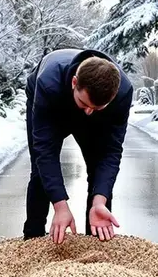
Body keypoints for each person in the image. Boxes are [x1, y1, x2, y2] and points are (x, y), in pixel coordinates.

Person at [23, 48, 133, 244]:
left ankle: (97, 240)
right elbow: (45, 151)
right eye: (84, 104)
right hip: (53, 104)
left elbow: (111, 152)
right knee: (41, 173)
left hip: (86, 105)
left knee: (99, 173)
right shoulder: (48, 83)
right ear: (74, 83)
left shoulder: (123, 93)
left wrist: (100, 200)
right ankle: (33, 239)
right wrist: (60, 205)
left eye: (97, 108)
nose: (89, 113)